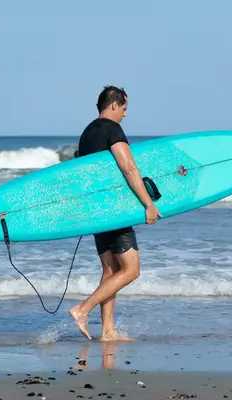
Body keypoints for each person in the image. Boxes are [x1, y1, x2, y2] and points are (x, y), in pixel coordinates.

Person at [69, 86, 162, 341]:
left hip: (96, 212)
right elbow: (129, 167)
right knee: (131, 270)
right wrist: (147, 204)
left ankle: (108, 331)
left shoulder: (87, 133)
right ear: (113, 105)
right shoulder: (112, 129)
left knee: (110, 271)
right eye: (124, 108)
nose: (125, 114)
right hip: (113, 210)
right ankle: (82, 309)